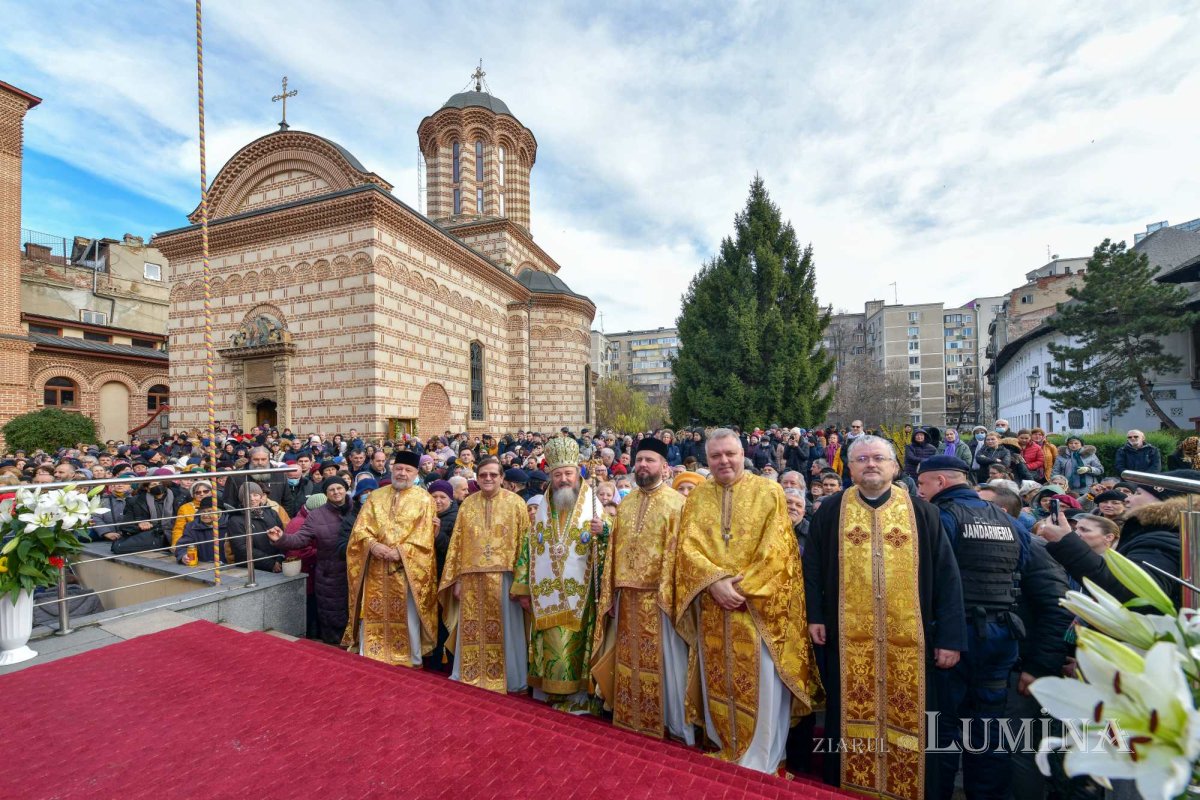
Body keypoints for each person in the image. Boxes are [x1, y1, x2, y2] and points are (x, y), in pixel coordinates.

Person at [805, 436, 966, 800]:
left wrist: (951, 638)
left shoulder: (921, 513)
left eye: (879, 458)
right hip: (847, 641)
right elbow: (811, 568)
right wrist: (815, 615)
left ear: (896, 466)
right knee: (845, 717)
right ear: (850, 467)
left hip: (911, 645)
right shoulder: (831, 511)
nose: (871, 464)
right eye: (861, 459)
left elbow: (946, 576)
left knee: (915, 725)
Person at [673, 428, 819, 773]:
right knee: (717, 681)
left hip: (757, 609)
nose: (724, 461)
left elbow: (778, 550)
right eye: (716, 456)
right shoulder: (697, 497)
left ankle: (762, 760)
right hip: (713, 606)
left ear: (742, 454)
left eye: (730, 454)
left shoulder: (768, 491)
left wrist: (739, 589)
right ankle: (726, 746)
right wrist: (714, 583)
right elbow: (686, 547)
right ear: (707, 459)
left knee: (762, 686)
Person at [915, 455, 1028, 799]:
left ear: (941, 483)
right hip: (1001, 636)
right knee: (989, 730)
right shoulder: (1008, 521)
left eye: (922, 484)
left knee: (943, 730)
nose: (919, 492)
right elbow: (1023, 566)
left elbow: (930, 576)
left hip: (954, 636)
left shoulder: (939, 517)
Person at [590, 438, 691, 742]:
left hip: (659, 598)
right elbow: (615, 548)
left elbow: (679, 553)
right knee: (627, 659)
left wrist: (666, 593)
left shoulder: (677, 503)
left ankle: (670, 724)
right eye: (640, 460)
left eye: (650, 460)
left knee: (667, 663)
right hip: (626, 596)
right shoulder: (628, 501)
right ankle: (629, 715)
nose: (643, 465)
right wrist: (610, 591)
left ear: (664, 466)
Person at [512, 436, 608, 713]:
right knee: (551, 643)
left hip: (582, 593)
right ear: (550, 477)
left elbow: (610, 537)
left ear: (577, 474)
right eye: (558, 475)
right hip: (546, 593)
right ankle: (551, 694)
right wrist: (522, 588)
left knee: (577, 645)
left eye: (568, 473)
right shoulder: (543, 508)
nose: (564, 479)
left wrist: (605, 532)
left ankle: (577, 696)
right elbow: (529, 547)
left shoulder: (593, 504)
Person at [1039, 469, 1200, 610]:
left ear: (1166, 501)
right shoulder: (1165, 534)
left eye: (1137, 493)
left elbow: (1134, 591)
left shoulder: (1160, 541)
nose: (1127, 499)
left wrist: (1065, 541)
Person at [437, 457, 530, 693]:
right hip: (471, 579)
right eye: (483, 475)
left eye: (493, 475)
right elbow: (457, 544)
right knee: (472, 629)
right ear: (477, 478)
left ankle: (510, 679)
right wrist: (457, 579)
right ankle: (470, 674)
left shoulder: (516, 503)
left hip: (505, 577)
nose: (488, 478)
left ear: (501, 478)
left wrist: (521, 583)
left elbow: (525, 546)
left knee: (508, 632)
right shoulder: (467, 504)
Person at [342, 450, 438, 667]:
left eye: (408, 470)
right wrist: (373, 545)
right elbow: (360, 530)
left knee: (407, 616)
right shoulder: (375, 496)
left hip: (406, 570)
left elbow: (424, 535)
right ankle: (371, 655)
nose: (402, 473)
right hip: (375, 567)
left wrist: (401, 551)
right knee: (373, 613)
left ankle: (409, 660)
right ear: (391, 469)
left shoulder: (425, 499)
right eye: (399, 469)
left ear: (416, 474)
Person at [266, 476, 355, 645]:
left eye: (339, 488)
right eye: (331, 490)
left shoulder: (359, 509)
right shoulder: (317, 516)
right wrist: (281, 538)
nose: (336, 492)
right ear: (326, 494)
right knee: (333, 616)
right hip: (330, 575)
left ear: (346, 489)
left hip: (357, 573)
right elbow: (300, 539)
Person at [227, 482, 286, 572]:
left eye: (255, 495)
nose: (252, 499)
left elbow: (283, 537)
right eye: (247, 496)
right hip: (253, 569)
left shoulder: (272, 513)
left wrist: (280, 559)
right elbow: (242, 548)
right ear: (241, 499)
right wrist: (271, 564)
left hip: (278, 564)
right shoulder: (235, 520)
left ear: (261, 496)